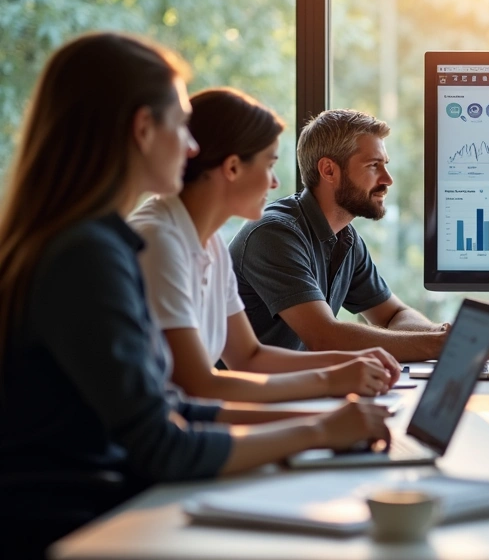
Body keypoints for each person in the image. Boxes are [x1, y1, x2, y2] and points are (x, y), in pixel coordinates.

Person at [0, 33, 391, 558]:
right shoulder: (89, 255)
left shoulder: (91, 241)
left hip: (102, 508)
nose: (191, 147)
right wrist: (318, 430)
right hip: (81, 526)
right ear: (143, 129)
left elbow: (175, 407)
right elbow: (164, 442)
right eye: (182, 126)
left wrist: (325, 421)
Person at [129, 87, 402, 402]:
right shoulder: (159, 241)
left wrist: (354, 363)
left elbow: (250, 357)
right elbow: (198, 388)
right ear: (232, 168)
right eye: (269, 165)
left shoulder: (211, 244)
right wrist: (327, 393)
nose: (275, 183)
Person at [229, 109, 452, 362]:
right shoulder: (274, 234)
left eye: (385, 165)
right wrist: (443, 346)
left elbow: (392, 316)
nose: (387, 180)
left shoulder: (345, 239)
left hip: (295, 392)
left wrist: (441, 333)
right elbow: (325, 337)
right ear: (329, 171)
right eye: (373, 165)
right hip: (246, 398)